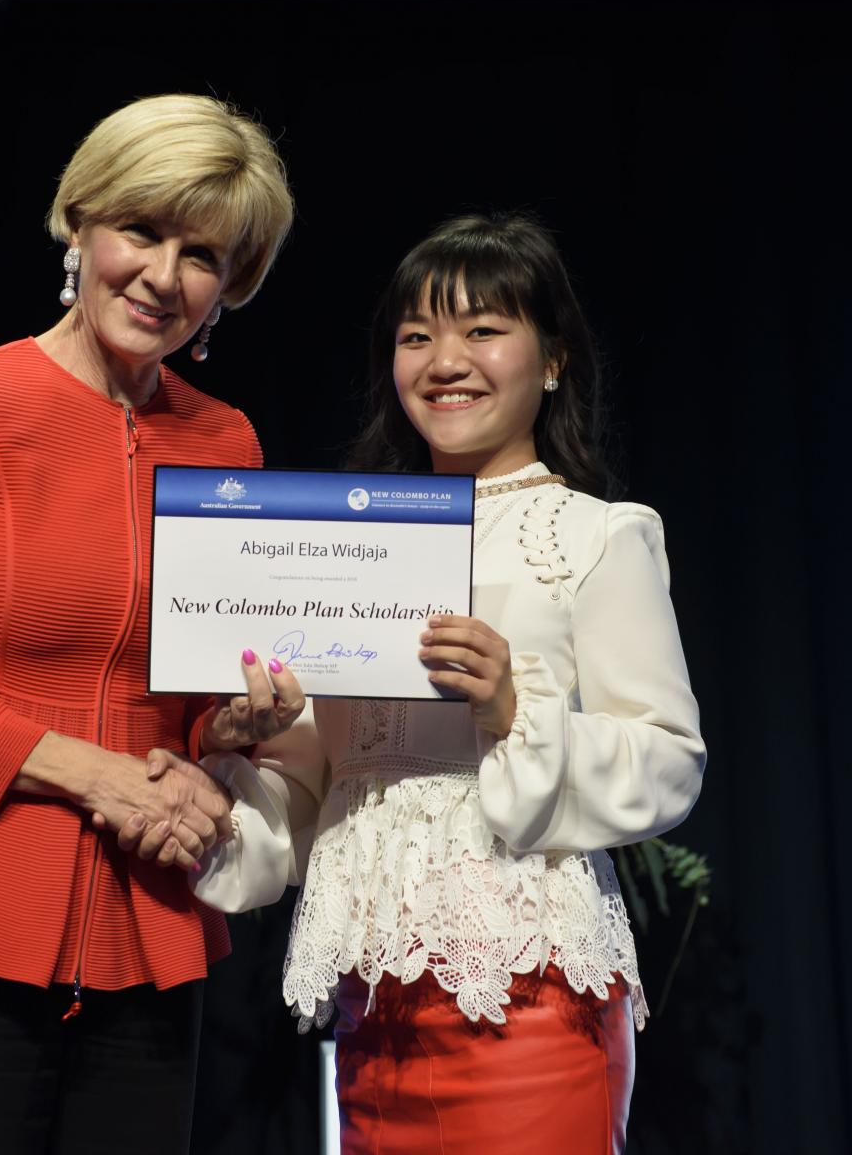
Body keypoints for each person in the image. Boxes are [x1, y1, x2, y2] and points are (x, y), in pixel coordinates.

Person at [0, 93, 303, 1155]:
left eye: (203, 253)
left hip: (147, 933)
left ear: (232, 285)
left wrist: (226, 737)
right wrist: (95, 774)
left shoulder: (228, 444)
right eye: (142, 230)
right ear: (80, 226)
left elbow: (192, 701)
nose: (164, 276)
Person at [180, 213, 706, 1154]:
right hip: (372, 1007)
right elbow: (310, 792)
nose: (445, 359)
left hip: (528, 994)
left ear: (553, 361)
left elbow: (669, 760)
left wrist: (515, 711)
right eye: (416, 336)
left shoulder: (595, 534)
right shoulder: (346, 550)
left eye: (484, 329)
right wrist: (239, 751)